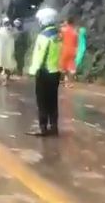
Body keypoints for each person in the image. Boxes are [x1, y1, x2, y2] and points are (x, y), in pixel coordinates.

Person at [26, 7, 62, 137]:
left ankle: (42, 128)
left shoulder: (43, 36)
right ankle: (54, 127)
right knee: (53, 101)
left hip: (44, 72)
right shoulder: (58, 35)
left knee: (42, 101)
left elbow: (39, 56)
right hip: (56, 71)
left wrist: (33, 70)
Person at [59, 16, 80, 88]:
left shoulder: (63, 29)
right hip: (73, 50)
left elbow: (60, 38)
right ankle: (70, 83)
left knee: (63, 67)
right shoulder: (75, 32)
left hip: (65, 50)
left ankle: (65, 82)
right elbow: (77, 43)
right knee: (71, 67)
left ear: (67, 22)